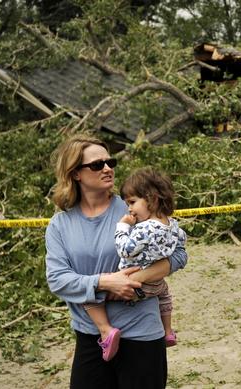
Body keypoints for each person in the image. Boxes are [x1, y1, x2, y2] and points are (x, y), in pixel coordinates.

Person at [45, 134, 187, 389]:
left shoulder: (134, 209)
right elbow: (57, 280)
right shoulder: (60, 224)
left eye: (110, 161)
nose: (108, 168)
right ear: (75, 173)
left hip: (142, 333)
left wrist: (134, 280)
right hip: (91, 336)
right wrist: (106, 282)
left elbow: (179, 255)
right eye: (97, 165)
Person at [83, 167, 186, 361]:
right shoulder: (171, 224)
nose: (129, 209)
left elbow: (125, 249)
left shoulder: (143, 228)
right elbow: (181, 244)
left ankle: (106, 331)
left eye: (132, 202)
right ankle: (168, 331)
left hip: (133, 284)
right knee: (165, 297)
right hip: (156, 285)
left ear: (153, 199)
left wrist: (123, 227)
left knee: (89, 293)